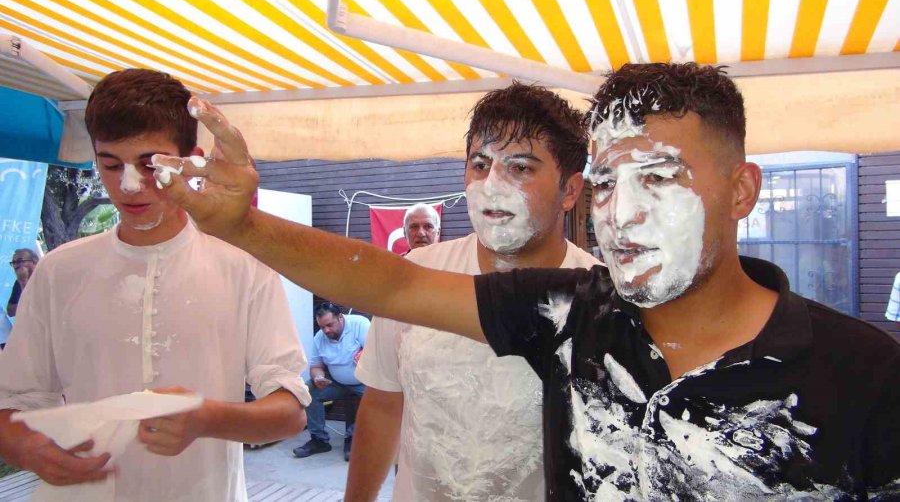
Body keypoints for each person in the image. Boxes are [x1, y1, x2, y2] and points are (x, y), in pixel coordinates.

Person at [153, 62, 900, 500]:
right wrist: (241, 226)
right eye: (608, 182)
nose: (624, 212)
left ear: (742, 191)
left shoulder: (867, 376)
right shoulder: (573, 315)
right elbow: (390, 285)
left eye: (659, 177)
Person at [0, 69, 310, 502]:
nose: (129, 184)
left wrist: (208, 418)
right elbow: (14, 403)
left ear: (192, 159)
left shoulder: (242, 266)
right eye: (110, 164)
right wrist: (28, 448)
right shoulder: (59, 271)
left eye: (150, 164)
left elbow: (290, 411)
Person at [350, 83, 600, 500]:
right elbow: (382, 404)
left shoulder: (601, 298)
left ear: (570, 190)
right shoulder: (417, 274)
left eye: (520, 167)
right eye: (480, 164)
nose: (491, 185)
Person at [293, 302, 369, 461]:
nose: (326, 330)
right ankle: (319, 440)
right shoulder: (319, 338)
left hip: (365, 381)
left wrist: (366, 357)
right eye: (322, 327)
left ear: (340, 317)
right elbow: (315, 366)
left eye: (330, 325)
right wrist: (318, 377)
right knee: (308, 390)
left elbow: (376, 355)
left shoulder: (359, 324)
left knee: (378, 397)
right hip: (337, 381)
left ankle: (354, 438)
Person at [6, 248, 39, 318]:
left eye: (19, 261)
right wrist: (23, 282)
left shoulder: (47, 276)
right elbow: (10, 311)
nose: (16, 266)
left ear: (34, 262)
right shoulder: (19, 282)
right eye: (13, 263)